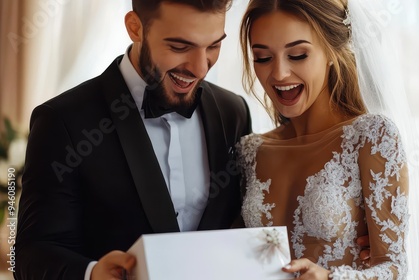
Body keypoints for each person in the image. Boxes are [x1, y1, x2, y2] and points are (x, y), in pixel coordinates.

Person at [15, 1, 252, 279]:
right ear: (135, 27)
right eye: (179, 47)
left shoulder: (233, 111)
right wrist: (91, 273)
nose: (200, 68)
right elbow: (32, 255)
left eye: (213, 46)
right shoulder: (63, 120)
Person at [236, 0, 409, 279]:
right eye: (263, 58)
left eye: (298, 55)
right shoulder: (249, 151)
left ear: (332, 51)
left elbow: (394, 268)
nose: (278, 74)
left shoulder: (372, 137)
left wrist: (330, 278)